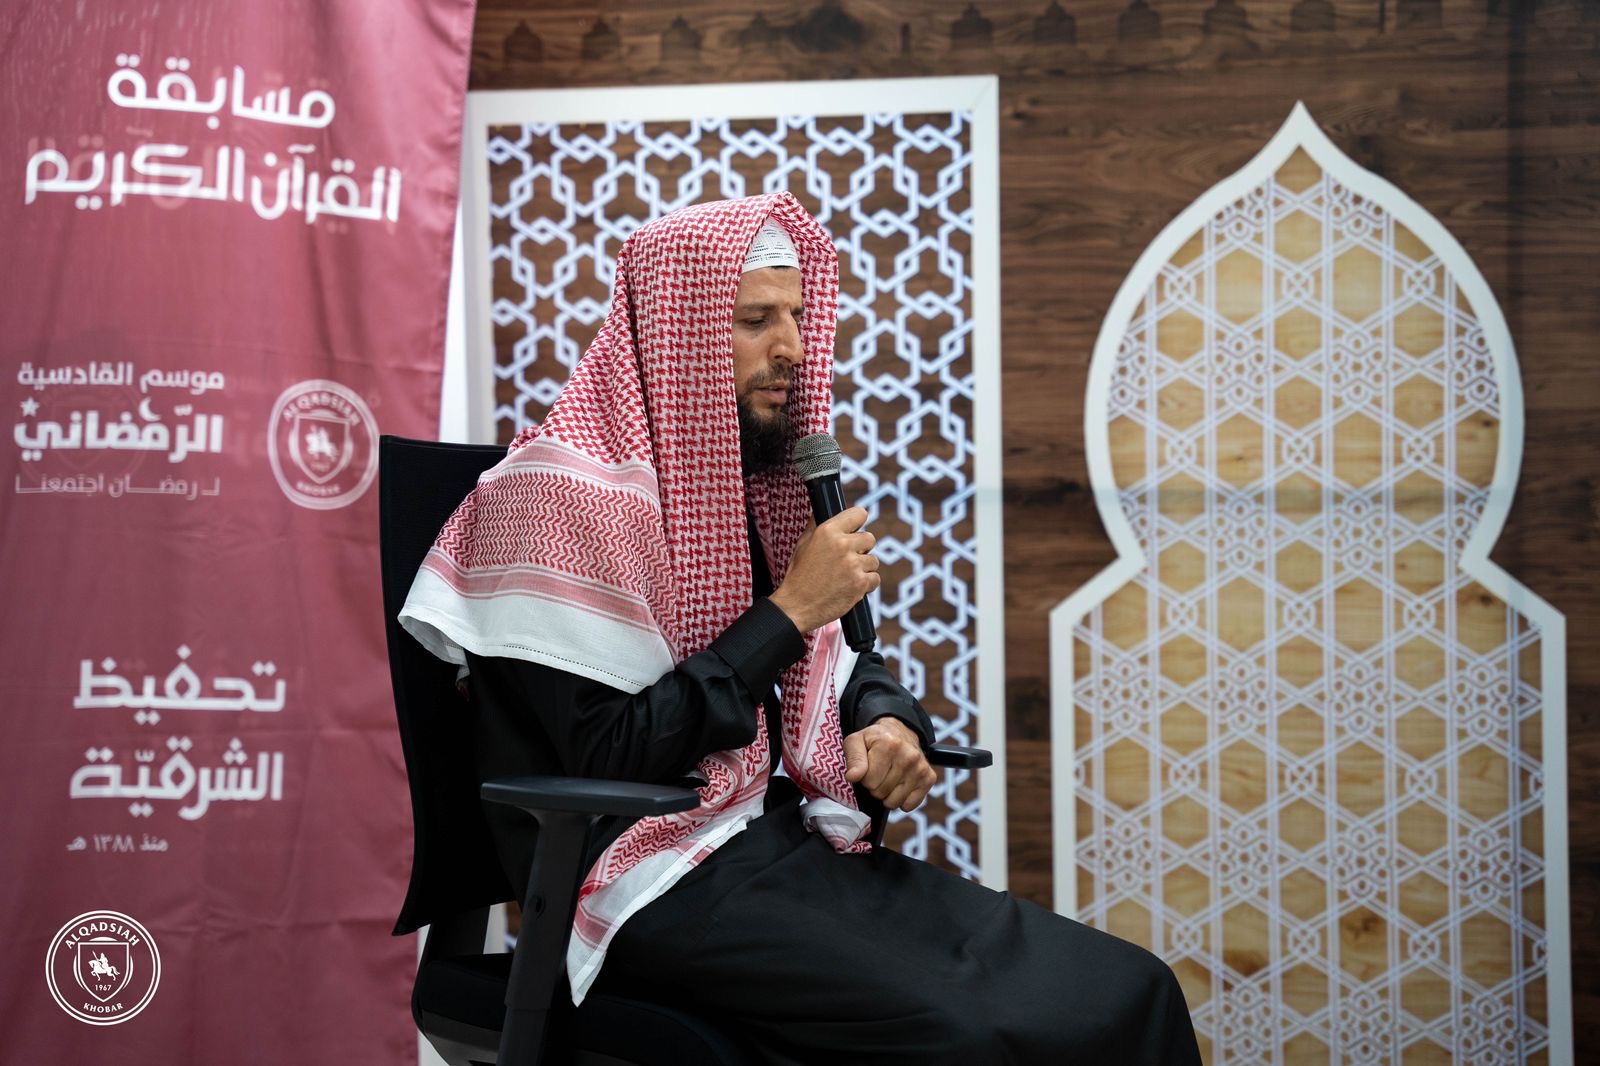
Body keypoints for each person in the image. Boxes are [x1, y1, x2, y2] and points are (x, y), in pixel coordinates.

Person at [399, 192, 1201, 1064]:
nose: (792, 347)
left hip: (765, 841)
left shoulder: (744, 484)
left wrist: (885, 718)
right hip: (637, 879)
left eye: (798, 316)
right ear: (675, 332)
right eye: (755, 320)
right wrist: (786, 612)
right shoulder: (553, 501)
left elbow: (840, 659)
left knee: (1128, 990)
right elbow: (603, 756)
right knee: (972, 1038)